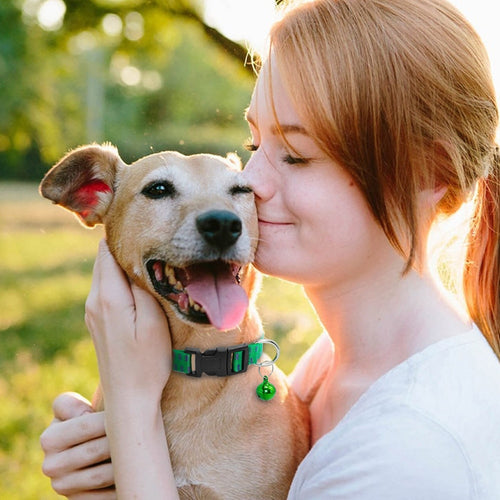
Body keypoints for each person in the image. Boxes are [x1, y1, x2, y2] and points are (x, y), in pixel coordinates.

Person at [40, 0, 500, 498]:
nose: (248, 183)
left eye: (298, 156)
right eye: (255, 143)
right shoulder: (334, 361)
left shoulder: (413, 450)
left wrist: (130, 415)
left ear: (426, 173)